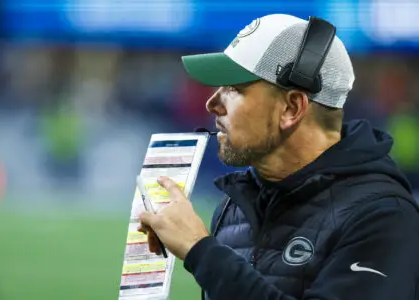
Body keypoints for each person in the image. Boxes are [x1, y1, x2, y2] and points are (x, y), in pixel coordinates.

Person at [139, 13, 419, 300]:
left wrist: (201, 250)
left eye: (234, 88)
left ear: (292, 108)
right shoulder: (234, 209)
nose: (212, 104)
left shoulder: (384, 218)